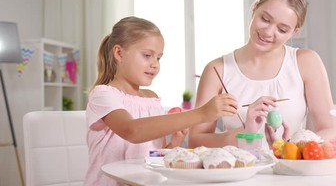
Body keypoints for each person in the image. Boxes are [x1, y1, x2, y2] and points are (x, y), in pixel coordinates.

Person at [84, 16, 238, 185]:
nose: (155, 64)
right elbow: (132, 131)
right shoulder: (103, 94)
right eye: (147, 55)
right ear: (119, 53)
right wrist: (202, 113)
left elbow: (154, 157)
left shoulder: (152, 98)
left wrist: (173, 145)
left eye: (158, 58)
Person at [188, 0, 336, 150]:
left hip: (291, 172)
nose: (268, 32)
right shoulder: (217, 70)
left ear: (294, 32)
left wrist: (291, 148)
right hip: (238, 172)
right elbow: (196, 140)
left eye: (282, 29)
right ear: (254, 9)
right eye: (265, 19)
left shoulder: (307, 62)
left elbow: (330, 129)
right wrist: (244, 133)